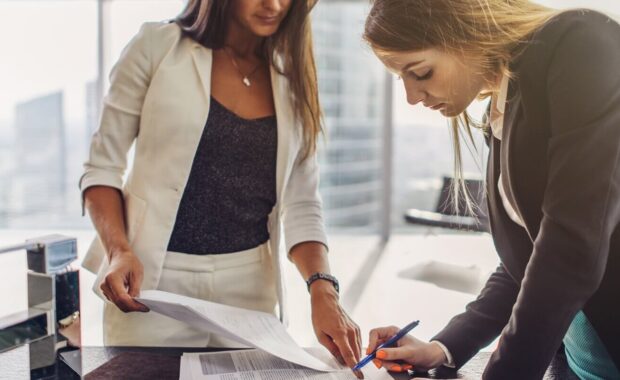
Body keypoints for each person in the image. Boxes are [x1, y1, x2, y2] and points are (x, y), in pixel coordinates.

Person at [80, 0, 362, 369]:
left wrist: (322, 288)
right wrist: (118, 251)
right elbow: (102, 168)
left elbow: (304, 203)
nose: (273, 4)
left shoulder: (295, 78)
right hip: (154, 287)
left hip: (249, 293)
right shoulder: (156, 46)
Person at [362, 0, 620, 379]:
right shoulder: (499, 115)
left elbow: (572, 244)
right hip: (578, 367)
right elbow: (526, 258)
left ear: (465, 31)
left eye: (421, 72)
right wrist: (443, 347)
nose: (412, 97)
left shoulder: (581, 43)